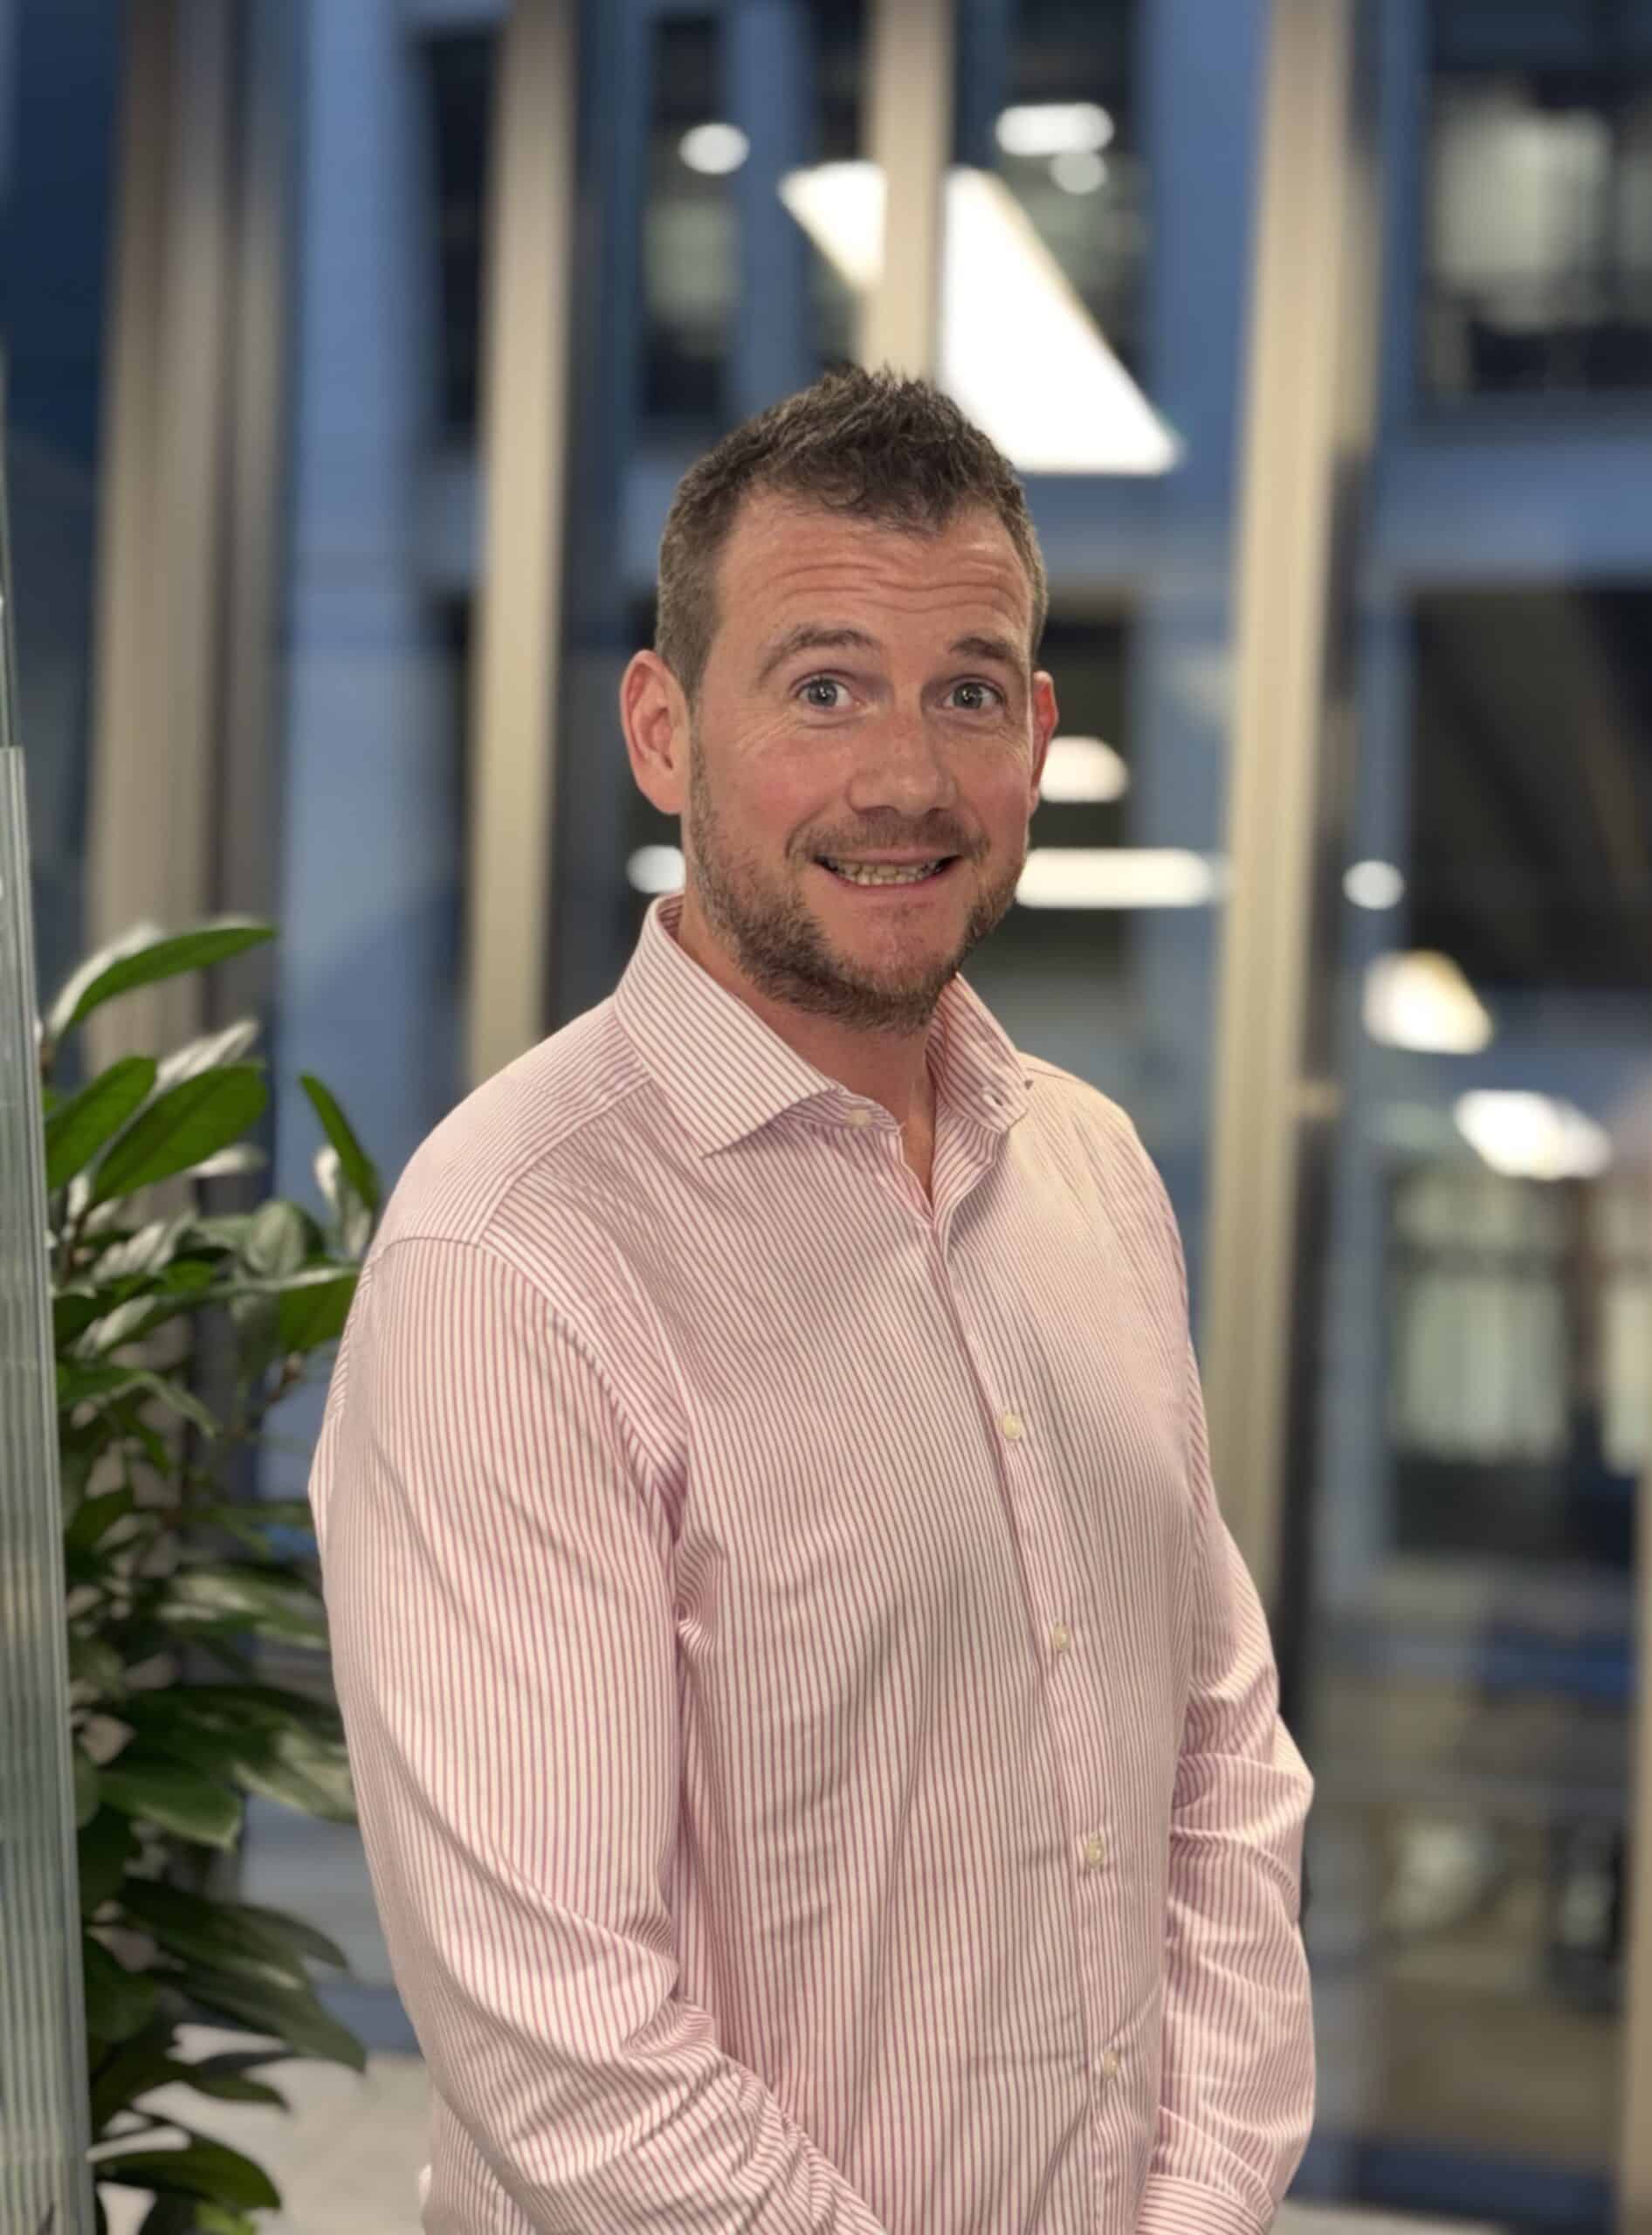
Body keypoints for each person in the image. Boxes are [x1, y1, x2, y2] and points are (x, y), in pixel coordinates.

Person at [307, 367, 1315, 2235]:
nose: (906, 777)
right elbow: (560, 2040)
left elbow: (1219, 1770)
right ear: (663, 727)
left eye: (968, 691)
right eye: (825, 684)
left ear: (1037, 730)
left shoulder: (1093, 1174)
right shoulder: (508, 1259)